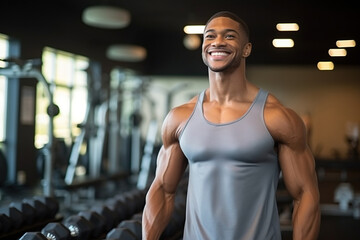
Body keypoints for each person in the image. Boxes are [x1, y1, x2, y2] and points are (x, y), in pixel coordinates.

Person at [142, 10, 320, 240]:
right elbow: (163, 190)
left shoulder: (276, 117)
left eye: (229, 36)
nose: (217, 42)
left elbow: (306, 195)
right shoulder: (180, 118)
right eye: (210, 36)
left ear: (246, 49)